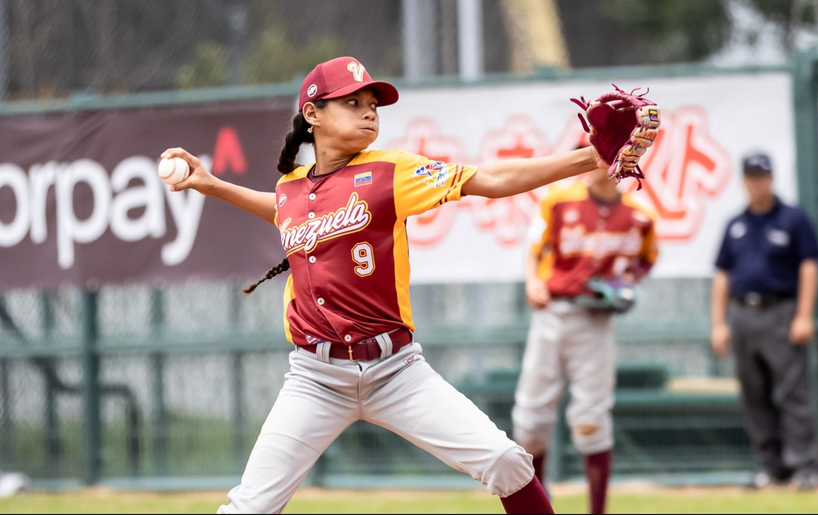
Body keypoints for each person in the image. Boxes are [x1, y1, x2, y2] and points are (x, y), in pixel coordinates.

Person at [161, 56, 610, 514]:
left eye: (372, 103)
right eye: (351, 102)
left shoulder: (389, 172)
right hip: (315, 379)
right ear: (312, 114)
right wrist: (212, 185)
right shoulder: (290, 189)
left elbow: (489, 179)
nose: (368, 111)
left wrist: (591, 157)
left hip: (395, 372)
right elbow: (279, 208)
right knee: (248, 508)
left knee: (506, 461)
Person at [512, 167, 658, 514]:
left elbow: (647, 260)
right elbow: (534, 249)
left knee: (592, 417)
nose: (592, 166)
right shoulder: (559, 201)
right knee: (531, 417)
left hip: (595, 319)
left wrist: (626, 282)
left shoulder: (640, 215)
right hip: (551, 313)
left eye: (599, 157)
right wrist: (532, 282)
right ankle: (536, 504)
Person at [711, 152, 818, 491]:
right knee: (753, 394)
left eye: (762, 176)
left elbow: (809, 265)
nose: (757, 183)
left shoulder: (792, 219)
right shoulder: (735, 224)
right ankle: (769, 466)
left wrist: (804, 314)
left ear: (772, 179)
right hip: (743, 313)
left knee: (793, 393)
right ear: (744, 181)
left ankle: (805, 466)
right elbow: (722, 275)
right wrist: (718, 322)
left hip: (782, 312)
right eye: (751, 177)